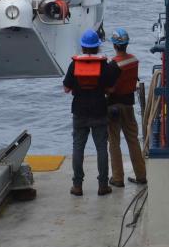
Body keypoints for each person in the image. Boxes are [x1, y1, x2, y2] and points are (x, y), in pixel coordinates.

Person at [63, 29, 120, 196]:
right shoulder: (104, 65)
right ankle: (103, 185)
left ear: (83, 47)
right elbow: (110, 88)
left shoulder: (74, 64)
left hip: (79, 111)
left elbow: (66, 88)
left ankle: (77, 185)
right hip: (99, 110)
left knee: (78, 148)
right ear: (97, 48)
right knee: (101, 147)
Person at [105, 28, 147, 188]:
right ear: (126, 44)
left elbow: (109, 88)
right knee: (133, 139)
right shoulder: (134, 61)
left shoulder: (113, 65)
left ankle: (117, 178)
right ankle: (141, 175)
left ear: (115, 45)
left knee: (114, 141)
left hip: (114, 106)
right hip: (129, 104)